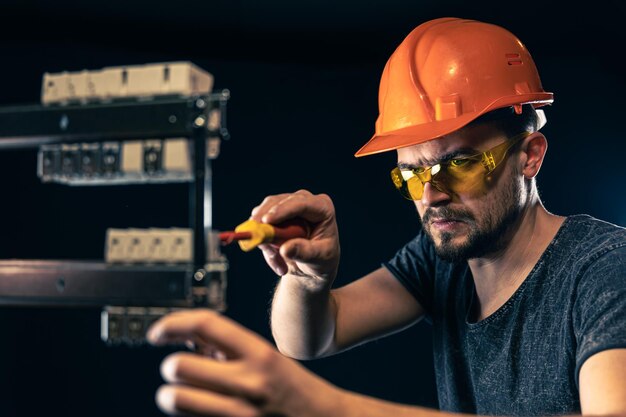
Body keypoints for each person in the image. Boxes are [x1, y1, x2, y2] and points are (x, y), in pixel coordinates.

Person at [146, 17, 626, 417]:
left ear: (530, 156)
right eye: (413, 174)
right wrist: (309, 279)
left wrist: (324, 406)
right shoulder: (444, 263)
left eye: (459, 164)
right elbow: (313, 336)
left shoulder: (604, 270)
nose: (432, 195)